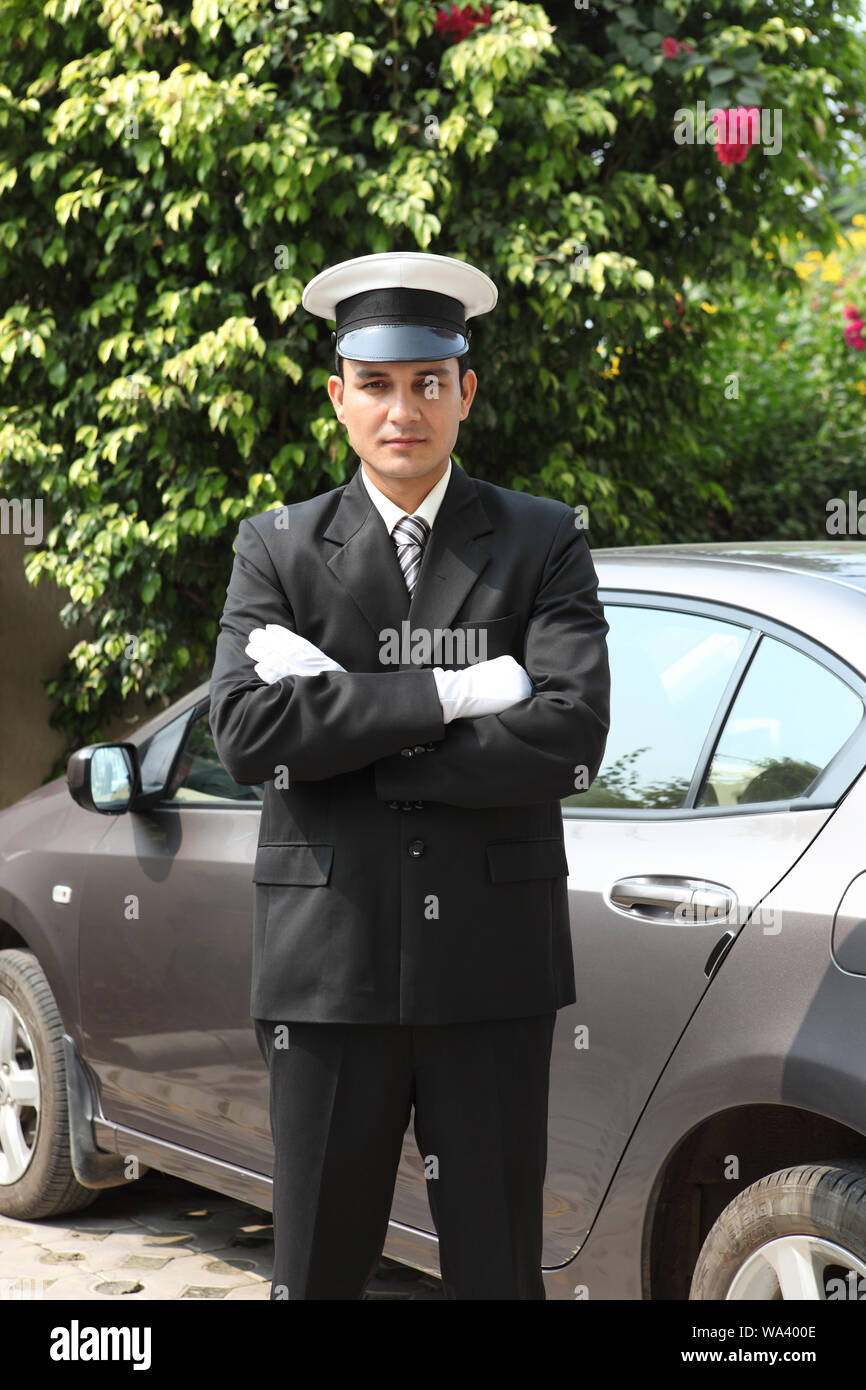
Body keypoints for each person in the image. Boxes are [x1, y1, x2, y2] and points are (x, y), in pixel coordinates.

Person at [209, 251, 611, 1299]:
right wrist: (451, 694)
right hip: (326, 974)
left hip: (488, 972)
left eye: (427, 381)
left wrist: (341, 718)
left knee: (493, 1272)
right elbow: (249, 732)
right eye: (377, 384)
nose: (403, 409)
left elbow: (569, 733)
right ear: (338, 396)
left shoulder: (540, 538)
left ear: (463, 392)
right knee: (315, 1271)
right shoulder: (277, 547)